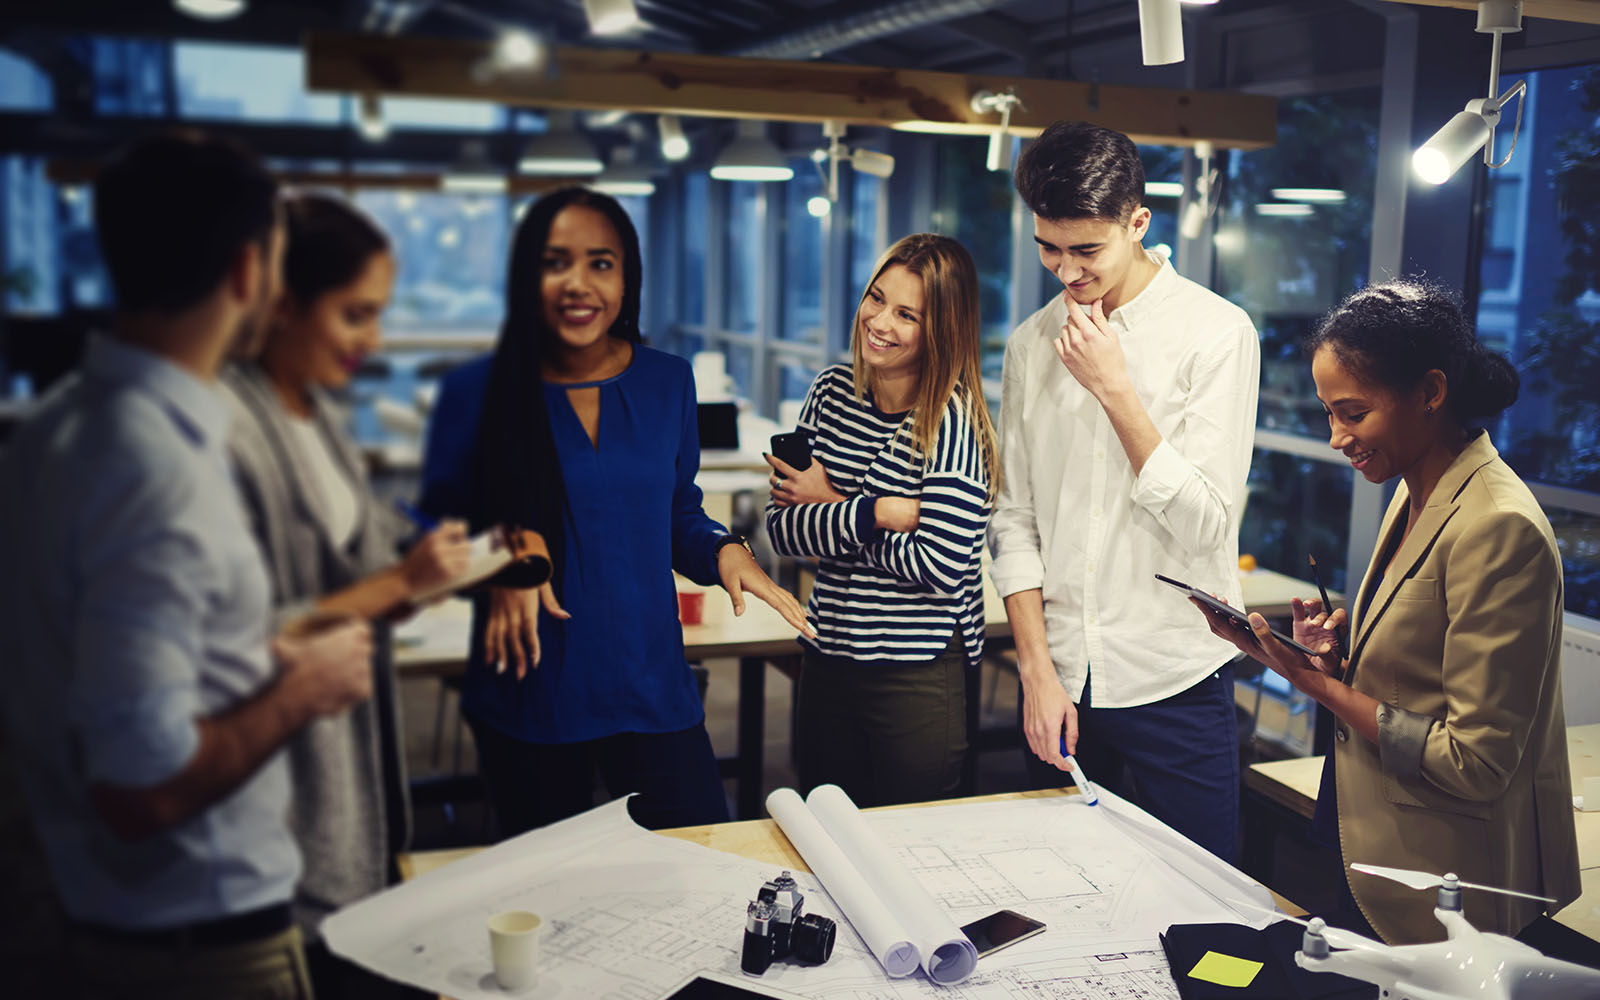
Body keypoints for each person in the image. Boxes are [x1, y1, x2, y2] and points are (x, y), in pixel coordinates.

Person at [0, 134, 374, 1000]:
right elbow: (144, 786)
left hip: (94, 915)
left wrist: (267, 647)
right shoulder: (154, 469)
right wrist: (302, 690)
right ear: (250, 270)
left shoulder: (58, 424)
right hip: (200, 947)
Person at [1193, 279, 1580, 944]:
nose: (1337, 437)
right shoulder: (1416, 490)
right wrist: (1336, 659)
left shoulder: (1498, 525)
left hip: (1448, 880)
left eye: (1353, 413)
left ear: (1430, 393)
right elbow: (1421, 673)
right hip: (1376, 834)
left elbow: (1475, 762)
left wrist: (1318, 684)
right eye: (1328, 414)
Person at [419, 186, 811, 834]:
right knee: (553, 907)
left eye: (601, 263)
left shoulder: (666, 381)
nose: (579, 283)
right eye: (556, 262)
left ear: (628, 278)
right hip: (533, 696)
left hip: (652, 685)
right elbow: (433, 529)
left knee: (696, 868)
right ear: (527, 276)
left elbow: (677, 513)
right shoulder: (478, 392)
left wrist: (723, 549)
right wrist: (501, 555)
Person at [220, 192, 474, 996]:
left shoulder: (316, 413)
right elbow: (239, 642)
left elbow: (363, 574)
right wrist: (399, 582)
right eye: (355, 315)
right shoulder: (225, 428)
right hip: (273, 787)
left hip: (349, 777)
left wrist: (421, 572)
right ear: (283, 303)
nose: (375, 339)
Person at [988, 120, 1260, 862]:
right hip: (1061, 680)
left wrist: (1116, 391)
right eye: (1049, 247)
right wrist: (1036, 673)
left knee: (1211, 915)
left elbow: (1206, 525)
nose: (1066, 271)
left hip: (1174, 675)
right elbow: (1014, 523)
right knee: (1057, 894)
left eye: (1087, 250)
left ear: (1138, 223)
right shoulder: (1029, 344)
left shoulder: (1217, 332)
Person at [763, 233, 998, 807]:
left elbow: (940, 566)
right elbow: (783, 531)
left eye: (906, 314)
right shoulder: (830, 392)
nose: (880, 322)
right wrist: (883, 512)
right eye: (876, 298)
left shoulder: (951, 418)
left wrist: (832, 504)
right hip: (828, 655)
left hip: (914, 671)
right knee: (824, 826)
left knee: (910, 841)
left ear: (940, 328)